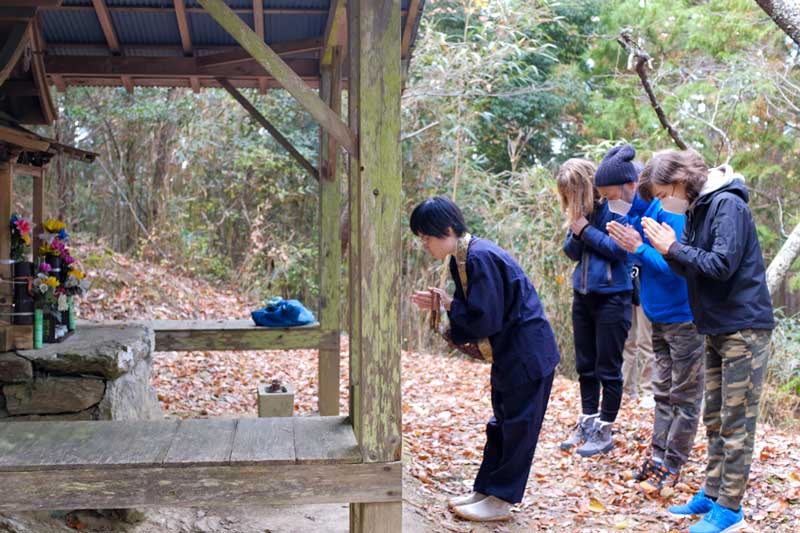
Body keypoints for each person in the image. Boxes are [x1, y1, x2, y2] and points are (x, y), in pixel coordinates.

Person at [639, 149, 774, 533]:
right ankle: (713, 494)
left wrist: (674, 247)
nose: (665, 202)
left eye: (665, 193)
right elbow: (691, 269)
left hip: (743, 328)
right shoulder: (699, 208)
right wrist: (668, 249)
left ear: (682, 181)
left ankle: (730, 508)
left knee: (737, 420)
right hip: (715, 326)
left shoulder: (727, 204)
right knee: (715, 417)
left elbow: (719, 265)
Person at [409, 196, 560, 523]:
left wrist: (448, 305)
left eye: (426, 237)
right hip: (511, 353)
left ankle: (502, 499)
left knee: (518, 427)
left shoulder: (479, 257)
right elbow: (475, 311)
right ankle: (486, 490)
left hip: (527, 353)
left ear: (447, 230)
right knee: (501, 424)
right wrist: (445, 305)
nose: (424, 245)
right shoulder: (461, 259)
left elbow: (485, 318)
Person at [599, 145, 705, 493]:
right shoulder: (636, 213)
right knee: (662, 393)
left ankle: (673, 464)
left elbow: (678, 269)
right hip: (657, 316)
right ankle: (658, 458)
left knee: (684, 397)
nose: (610, 205)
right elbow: (635, 257)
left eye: (613, 196)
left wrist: (638, 248)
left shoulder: (670, 211)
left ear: (631, 186)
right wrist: (629, 244)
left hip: (685, 320)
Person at [557, 157, 632, 457]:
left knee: (608, 367)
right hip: (583, 294)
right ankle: (587, 422)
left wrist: (586, 230)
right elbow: (570, 251)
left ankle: (605, 430)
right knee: (585, 365)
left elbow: (618, 249)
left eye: (571, 193)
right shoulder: (582, 212)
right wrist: (578, 231)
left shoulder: (616, 206)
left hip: (613, 296)